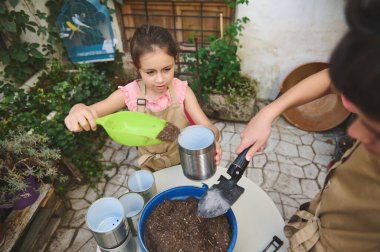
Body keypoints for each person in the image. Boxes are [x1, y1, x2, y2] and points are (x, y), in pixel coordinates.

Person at [236, 0, 380, 251]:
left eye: (373, 131)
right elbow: (329, 79)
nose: (352, 132)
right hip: (316, 223)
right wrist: (269, 112)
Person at [65, 24, 221, 171]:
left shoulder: (182, 91)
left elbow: (210, 128)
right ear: (136, 67)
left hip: (184, 165)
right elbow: (90, 111)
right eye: (150, 72)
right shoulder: (129, 94)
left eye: (167, 69)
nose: (160, 79)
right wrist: (77, 109)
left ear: (175, 59)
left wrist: (211, 140)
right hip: (150, 168)